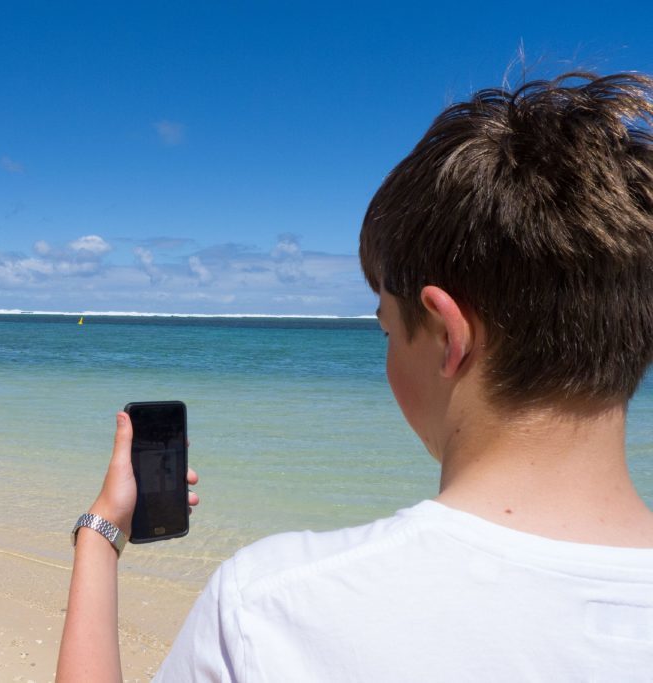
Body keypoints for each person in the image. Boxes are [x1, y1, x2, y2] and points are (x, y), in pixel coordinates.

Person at [56, 71, 653, 681]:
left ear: (448, 336)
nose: (387, 350)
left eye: (387, 330)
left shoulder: (275, 607)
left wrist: (101, 534)